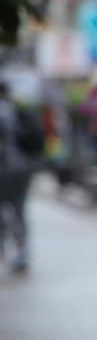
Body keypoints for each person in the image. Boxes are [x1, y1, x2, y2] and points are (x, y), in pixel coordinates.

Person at [0, 81, 39, 273]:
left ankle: (8, 250)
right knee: (19, 210)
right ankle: (22, 250)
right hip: (22, 168)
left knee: (5, 211)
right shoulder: (16, 110)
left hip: (5, 170)